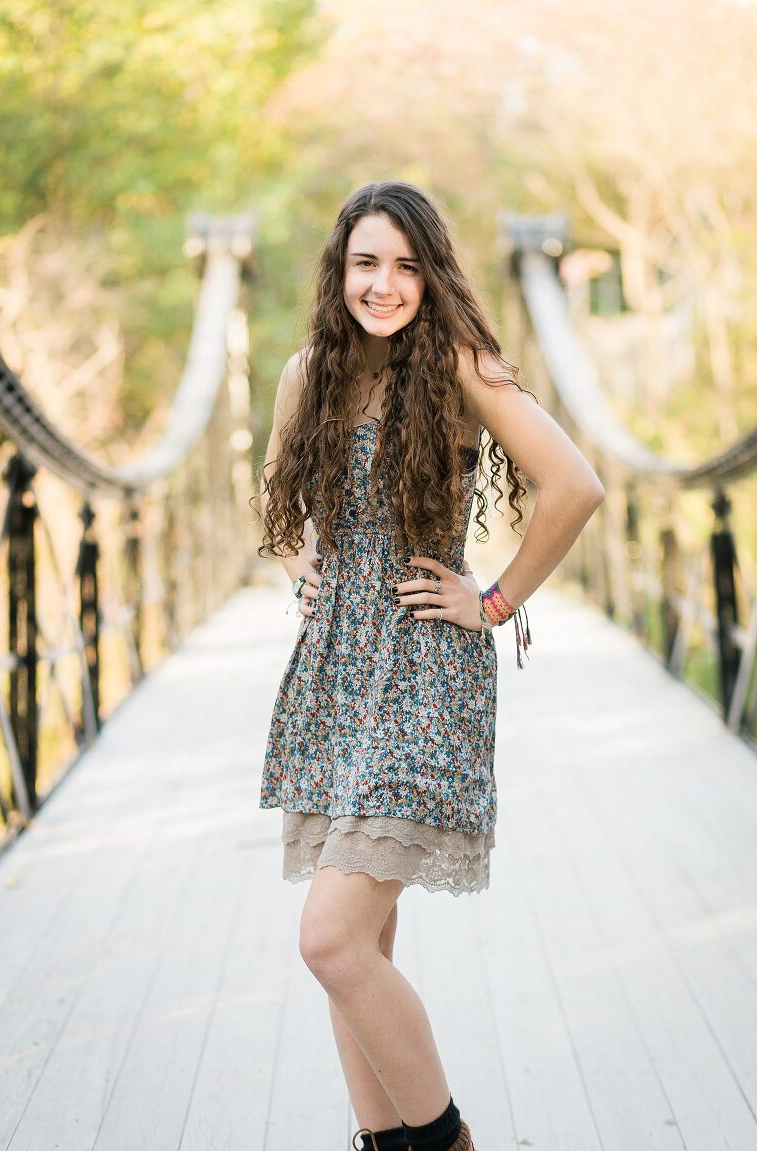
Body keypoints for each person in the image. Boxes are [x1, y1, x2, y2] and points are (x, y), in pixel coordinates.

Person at [257, 181, 604, 1151]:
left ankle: (448, 1140)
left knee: (328, 938)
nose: (385, 282)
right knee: (357, 950)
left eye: (407, 265)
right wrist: (302, 565)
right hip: (336, 673)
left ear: (431, 274)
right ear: (341, 269)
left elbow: (576, 484)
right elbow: (275, 496)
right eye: (368, 262)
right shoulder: (307, 375)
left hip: (425, 674)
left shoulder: (461, 369)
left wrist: (493, 600)